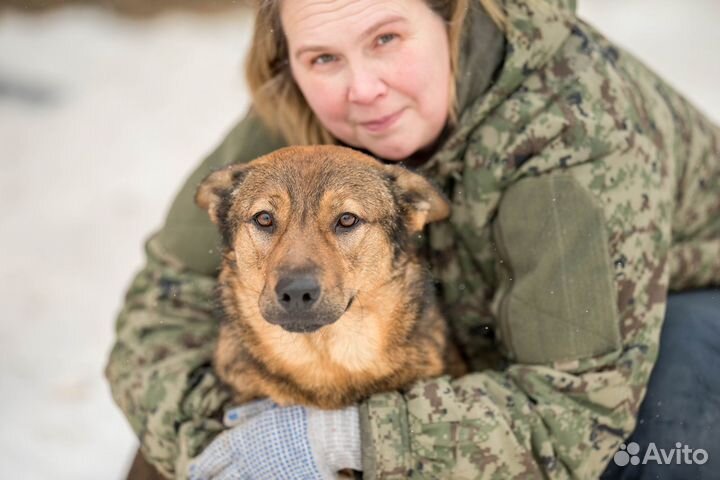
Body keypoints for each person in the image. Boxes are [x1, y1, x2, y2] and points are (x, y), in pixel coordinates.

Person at [105, 0, 720, 478]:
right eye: (322, 58)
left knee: (668, 428)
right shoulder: (299, 116)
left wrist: (350, 439)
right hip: (448, 316)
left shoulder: (573, 139)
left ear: (448, 18)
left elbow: (574, 414)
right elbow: (161, 307)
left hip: (670, 304)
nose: (362, 90)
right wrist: (222, 439)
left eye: (386, 39)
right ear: (289, 61)